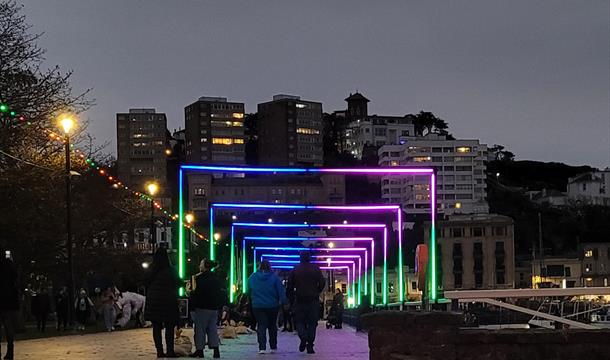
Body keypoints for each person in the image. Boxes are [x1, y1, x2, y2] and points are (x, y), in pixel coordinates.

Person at [287, 251, 326, 354]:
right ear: (309, 258)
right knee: (312, 323)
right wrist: (317, 290)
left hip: (300, 299)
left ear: (300, 258)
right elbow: (322, 282)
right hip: (313, 299)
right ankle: (310, 345)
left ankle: (303, 336)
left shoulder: (295, 269)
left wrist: (291, 298)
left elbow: (289, 286)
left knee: (299, 321)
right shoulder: (315, 269)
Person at [145, 248, 181, 358]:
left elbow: (145, 282)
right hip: (168, 301)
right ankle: (170, 351)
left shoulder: (151, 270)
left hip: (154, 301)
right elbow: (178, 283)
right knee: (169, 327)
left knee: (156, 327)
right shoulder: (171, 270)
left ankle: (159, 351)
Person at [248, 260, 288, 354]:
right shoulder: (274, 278)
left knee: (261, 325)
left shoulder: (252, 277)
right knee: (272, 325)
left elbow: (248, 290)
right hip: (272, 305)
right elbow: (280, 291)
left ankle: (262, 347)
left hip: (257, 306)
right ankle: (273, 346)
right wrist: (284, 302)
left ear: (259, 266)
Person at [189, 259, 223, 358]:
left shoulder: (198, 278)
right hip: (214, 308)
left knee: (200, 330)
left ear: (205, 266)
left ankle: (200, 351)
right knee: (212, 329)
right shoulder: (216, 278)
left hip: (202, 307)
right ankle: (216, 350)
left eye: (201, 264)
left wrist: (191, 295)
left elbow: (196, 293)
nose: (199, 266)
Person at [0, 247, 19, 360]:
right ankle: (10, 351)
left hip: (2, 296)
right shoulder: (10, 264)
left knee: (6, 324)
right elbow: (15, 280)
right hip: (8, 298)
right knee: (8, 325)